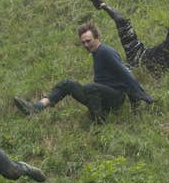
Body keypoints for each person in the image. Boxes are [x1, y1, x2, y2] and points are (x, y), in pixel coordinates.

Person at [14, 23, 153, 122]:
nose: (86, 45)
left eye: (89, 41)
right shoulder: (96, 53)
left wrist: (142, 94)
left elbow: (125, 73)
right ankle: (36, 108)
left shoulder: (106, 52)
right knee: (67, 84)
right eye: (83, 42)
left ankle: (99, 120)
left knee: (90, 87)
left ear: (97, 37)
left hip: (115, 97)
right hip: (99, 95)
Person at [86, 0, 169, 72]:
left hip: (137, 68)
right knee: (122, 21)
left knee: (114, 70)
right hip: (138, 50)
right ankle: (101, 4)